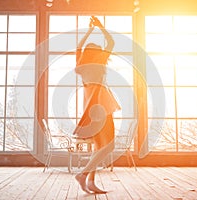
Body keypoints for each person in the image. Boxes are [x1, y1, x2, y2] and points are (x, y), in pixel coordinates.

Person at [74, 16, 121, 194]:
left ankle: (91, 181)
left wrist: (88, 31)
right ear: (98, 52)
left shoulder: (80, 63)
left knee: (99, 146)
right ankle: (83, 174)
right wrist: (99, 27)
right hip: (101, 104)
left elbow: (79, 46)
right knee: (109, 146)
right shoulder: (100, 61)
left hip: (91, 105)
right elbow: (111, 41)